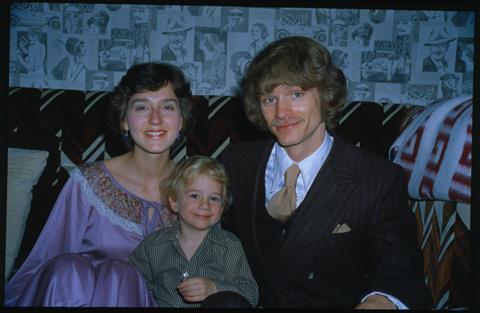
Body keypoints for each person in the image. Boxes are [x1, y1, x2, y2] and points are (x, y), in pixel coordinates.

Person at [220, 36, 432, 309]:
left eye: (296, 94)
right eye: (269, 98)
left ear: (325, 94)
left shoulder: (376, 177)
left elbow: (400, 267)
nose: (281, 112)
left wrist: (379, 302)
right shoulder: (235, 162)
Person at [4, 62, 195, 307]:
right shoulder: (87, 182)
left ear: (181, 120)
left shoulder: (198, 191)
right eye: (141, 107)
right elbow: (46, 261)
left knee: (121, 275)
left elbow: (209, 267)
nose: (155, 119)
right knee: (66, 268)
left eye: (167, 107)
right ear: (124, 121)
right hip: (74, 296)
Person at [129, 156, 258, 308]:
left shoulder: (229, 246)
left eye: (214, 198)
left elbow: (250, 294)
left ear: (222, 208)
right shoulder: (153, 245)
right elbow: (131, 285)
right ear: (175, 202)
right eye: (195, 196)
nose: (205, 205)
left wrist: (215, 288)